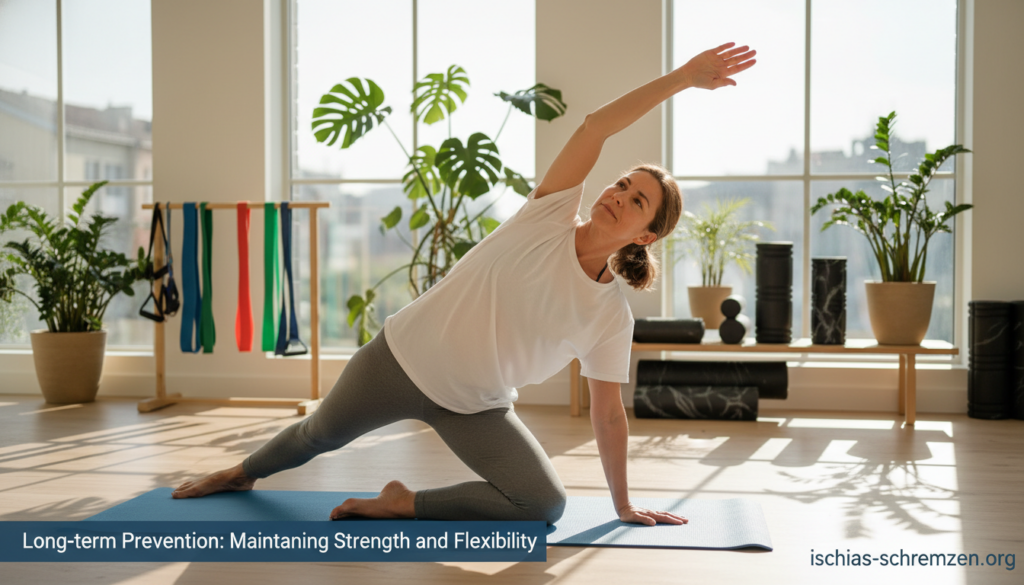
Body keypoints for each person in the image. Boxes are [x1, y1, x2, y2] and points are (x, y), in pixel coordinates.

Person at [172, 42, 756, 527]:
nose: (617, 196)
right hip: (399, 360)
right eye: (621, 183)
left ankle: (405, 504)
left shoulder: (609, 316)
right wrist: (681, 78)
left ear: (646, 235)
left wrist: (622, 503)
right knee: (318, 435)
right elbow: (595, 127)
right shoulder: (549, 214)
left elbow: (608, 416)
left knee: (544, 505)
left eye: (636, 201)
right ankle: (239, 471)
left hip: (474, 406)